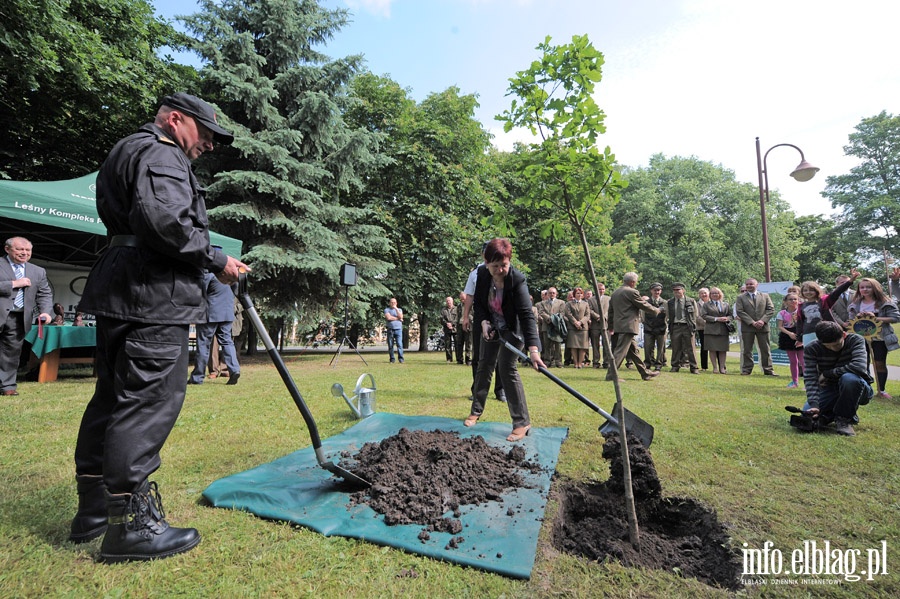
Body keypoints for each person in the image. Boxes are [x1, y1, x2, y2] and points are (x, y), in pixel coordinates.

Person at [70, 93, 249, 561]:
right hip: (152, 294)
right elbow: (165, 222)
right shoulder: (161, 152)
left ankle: (93, 510)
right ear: (175, 120)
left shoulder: (126, 148)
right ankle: (131, 527)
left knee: (112, 397)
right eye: (205, 134)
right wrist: (217, 259)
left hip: (123, 288)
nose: (209, 145)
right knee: (148, 401)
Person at [464, 238, 544, 442]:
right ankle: (476, 411)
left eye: (504, 265)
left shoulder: (517, 280)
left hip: (512, 328)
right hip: (491, 324)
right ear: (486, 262)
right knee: (484, 365)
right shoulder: (481, 274)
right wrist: (483, 322)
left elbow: (527, 315)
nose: (500, 270)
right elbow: (480, 303)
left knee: (507, 369)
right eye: (495, 266)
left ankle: (521, 422)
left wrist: (534, 349)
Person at [1, 236, 53, 395]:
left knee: (11, 354)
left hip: (19, 318)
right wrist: (14, 284)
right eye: (19, 249)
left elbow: (44, 294)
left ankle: (7, 386)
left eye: (27, 250)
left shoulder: (38, 271)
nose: (24, 253)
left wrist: (45, 311)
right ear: (7, 249)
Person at [803, 321, 873, 436]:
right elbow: (810, 378)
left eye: (836, 344)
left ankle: (844, 419)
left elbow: (859, 367)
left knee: (849, 379)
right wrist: (814, 405)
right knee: (808, 415)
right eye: (827, 346)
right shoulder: (812, 348)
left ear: (844, 335)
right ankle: (828, 416)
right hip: (830, 388)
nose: (832, 348)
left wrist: (827, 374)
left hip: (859, 387)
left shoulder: (856, 340)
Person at [847, 277, 900, 399]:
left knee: (879, 363)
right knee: (862, 364)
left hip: (880, 338)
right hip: (861, 338)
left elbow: (896, 318)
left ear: (875, 288)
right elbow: (851, 321)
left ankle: (881, 390)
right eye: (862, 287)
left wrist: (875, 318)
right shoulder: (855, 304)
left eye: (868, 287)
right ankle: (865, 389)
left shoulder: (885, 302)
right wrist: (858, 317)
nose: (865, 289)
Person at [605, 272, 661, 382]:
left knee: (634, 351)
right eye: (635, 282)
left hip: (619, 325)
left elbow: (610, 311)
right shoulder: (632, 292)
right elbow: (642, 304)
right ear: (632, 282)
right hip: (628, 326)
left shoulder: (615, 292)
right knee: (620, 351)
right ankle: (611, 375)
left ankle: (645, 373)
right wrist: (656, 310)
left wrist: (611, 326)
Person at [188, 271, 241, 385]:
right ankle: (234, 370)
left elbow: (199, 293)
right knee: (227, 342)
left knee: (203, 344)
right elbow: (236, 292)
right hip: (227, 313)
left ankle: (197, 377)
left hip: (210, 314)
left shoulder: (210, 275)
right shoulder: (231, 275)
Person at [796, 269, 860, 346]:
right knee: (810, 355)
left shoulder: (824, 301)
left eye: (811, 290)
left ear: (817, 291)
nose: (808, 292)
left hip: (825, 332)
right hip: (808, 334)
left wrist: (851, 280)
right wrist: (799, 338)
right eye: (805, 290)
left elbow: (838, 291)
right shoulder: (801, 306)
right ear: (802, 292)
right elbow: (800, 323)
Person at [735, 278, 777, 376]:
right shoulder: (740, 297)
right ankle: (746, 369)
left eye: (751, 284)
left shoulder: (765, 296)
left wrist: (762, 321)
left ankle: (768, 370)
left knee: (765, 349)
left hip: (763, 327)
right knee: (747, 350)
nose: (749, 286)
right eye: (747, 284)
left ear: (756, 285)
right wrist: (752, 322)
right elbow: (740, 311)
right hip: (748, 327)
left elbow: (770, 310)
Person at [667, 282, 699, 373]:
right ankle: (675, 366)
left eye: (678, 290)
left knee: (691, 348)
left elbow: (695, 314)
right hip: (676, 326)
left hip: (687, 326)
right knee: (676, 347)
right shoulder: (670, 302)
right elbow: (668, 315)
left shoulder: (691, 301)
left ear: (683, 290)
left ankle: (694, 367)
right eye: (674, 290)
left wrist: (692, 325)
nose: (676, 292)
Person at [700, 287, 732, 374]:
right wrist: (716, 319)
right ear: (710, 295)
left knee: (723, 349)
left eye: (716, 293)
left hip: (723, 330)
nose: (714, 295)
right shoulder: (706, 305)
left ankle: (722, 368)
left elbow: (730, 315)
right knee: (712, 349)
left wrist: (727, 318)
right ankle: (715, 368)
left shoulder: (725, 304)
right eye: (713, 293)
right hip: (711, 330)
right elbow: (703, 315)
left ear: (720, 294)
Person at [777, 293, 803, 388]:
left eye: (795, 299)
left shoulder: (801, 311)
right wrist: (790, 334)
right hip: (787, 336)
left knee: (803, 360)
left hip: (800, 335)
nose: (793, 301)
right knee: (793, 361)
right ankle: (794, 382)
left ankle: (808, 383)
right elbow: (780, 326)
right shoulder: (782, 313)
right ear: (785, 302)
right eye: (790, 299)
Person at [537, 287, 566, 367]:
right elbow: (541, 312)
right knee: (547, 345)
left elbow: (562, 313)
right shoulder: (543, 303)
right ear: (547, 294)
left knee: (557, 345)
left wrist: (554, 320)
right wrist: (549, 319)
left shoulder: (561, 302)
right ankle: (547, 361)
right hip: (546, 325)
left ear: (556, 293)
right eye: (550, 293)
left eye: (553, 293)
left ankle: (558, 362)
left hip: (557, 326)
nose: (552, 294)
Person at [641, 282, 667, 371]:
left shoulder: (664, 303)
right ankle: (648, 363)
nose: (657, 292)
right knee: (648, 347)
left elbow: (668, 316)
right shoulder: (646, 303)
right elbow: (642, 315)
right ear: (651, 291)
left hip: (661, 328)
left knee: (661, 348)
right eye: (655, 290)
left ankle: (658, 364)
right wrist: (646, 324)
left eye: (658, 290)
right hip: (649, 328)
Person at [564, 287, 590, 368]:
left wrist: (581, 322)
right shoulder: (569, 304)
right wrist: (575, 322)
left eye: (581, 293)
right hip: (572, 327)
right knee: (573, 346)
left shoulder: (586, 304)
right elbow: (568, 314)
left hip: (583, 328)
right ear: (574, 294)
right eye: (577, 293)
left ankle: (580, 363)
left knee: (582, 346)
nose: (579, 295)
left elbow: (587, 315)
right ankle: (575, 363)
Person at [588, 283, 611, 368]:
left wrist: (604, 317)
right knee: (595, 344)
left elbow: (610, 310)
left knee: (606, 344)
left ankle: (606, 362)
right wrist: (598, 317)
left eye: (603, 289)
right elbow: (589, 310)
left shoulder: (609, 299)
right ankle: (596, 362)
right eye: (600, 289)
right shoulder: (590, 300)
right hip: (595, 325)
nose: (601, 291)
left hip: (606, 325)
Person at [384, 297, 404, 363]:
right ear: (389, 303)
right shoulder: (387, 310)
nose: (393, 303)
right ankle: (392, 359)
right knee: (390, 345)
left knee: (399, 344)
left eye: (394, 302)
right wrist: (398, 318)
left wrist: (396, 309)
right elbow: (388, 318)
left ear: (396, 303)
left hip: (398, 329)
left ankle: (401, 359)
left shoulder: (399, 310)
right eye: (392, 302)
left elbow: (401, 316)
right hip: (390, 329)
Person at [695, 287, 710, 370]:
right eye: (701, 293)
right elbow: (697, 316)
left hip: (714, 328)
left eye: (705, 293)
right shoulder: (697, 304)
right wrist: (706, 323)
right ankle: (704, 366)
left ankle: (720, 366)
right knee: (704, 347)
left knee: (715, 347)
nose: (704, 294)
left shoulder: (712, 303)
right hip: (702, 328)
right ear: (699, 295)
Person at [455, 291, 471, 365]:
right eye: (461, 299)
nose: (462, 300)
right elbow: (457, 316)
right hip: (460, 325)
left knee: (468, 343)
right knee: (459, 343)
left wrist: (468, 319)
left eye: (463, 299)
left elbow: (474, 315)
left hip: (468, 325)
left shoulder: (471, 305)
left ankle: (468, 359)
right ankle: (459, 359)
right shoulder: (459, 306)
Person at [440, 296, 457, 363]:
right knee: (447, 345)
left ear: (452, 301)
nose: (448, 302)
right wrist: (447, 323)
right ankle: (449, 359)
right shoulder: (443, 310)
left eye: (449, 301)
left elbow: (457, 318)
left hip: (455, 329)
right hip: (447, 330)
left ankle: (459, 359)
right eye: (447, 301)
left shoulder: (456, 309)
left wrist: (452, 324)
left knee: (457, 345)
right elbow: (441, 319)